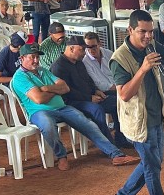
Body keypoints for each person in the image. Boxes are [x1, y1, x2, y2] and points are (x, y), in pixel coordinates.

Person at [108, 10, 164, 195]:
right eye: (143, 31)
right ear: (130, 30)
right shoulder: (119, 58)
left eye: (151, 31)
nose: (148, 36)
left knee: (153, 161)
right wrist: (142, 70)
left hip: (156, 115)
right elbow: (124, 94)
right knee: (152, 164)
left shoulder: (151, 46)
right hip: (138, 121)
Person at [11, 43, 136, 171]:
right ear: (22, 58)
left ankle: (116, 154)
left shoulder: (43, 71)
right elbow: (39, 99)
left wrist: (46, 89)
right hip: (39, 112)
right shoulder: (20, 77)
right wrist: (56, 91)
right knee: (48, 126)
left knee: (88, 125)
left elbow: (65, 88)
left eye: (37, 57)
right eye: (32, 57)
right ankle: (61, 156)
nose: (36, 60)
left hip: (62, 107)